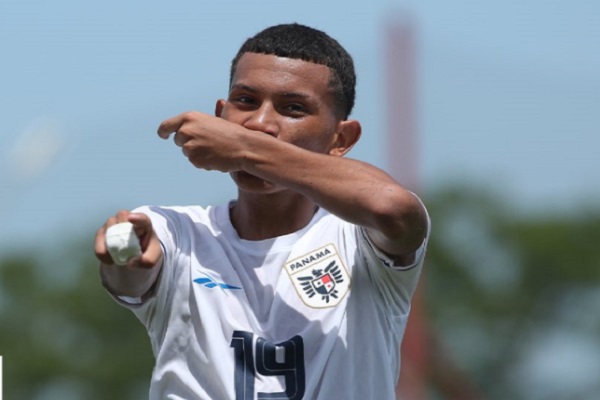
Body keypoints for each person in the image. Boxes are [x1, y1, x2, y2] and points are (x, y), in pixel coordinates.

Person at [94, 23, 430, 400]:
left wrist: (244, 147)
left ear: (341, 139)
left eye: (293, 109)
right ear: (221, 116)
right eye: (246, 101)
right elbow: (129, 277)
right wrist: (125, 260)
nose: (259, 124)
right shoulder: (175, 231)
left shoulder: (359, 239)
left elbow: (394, 208)